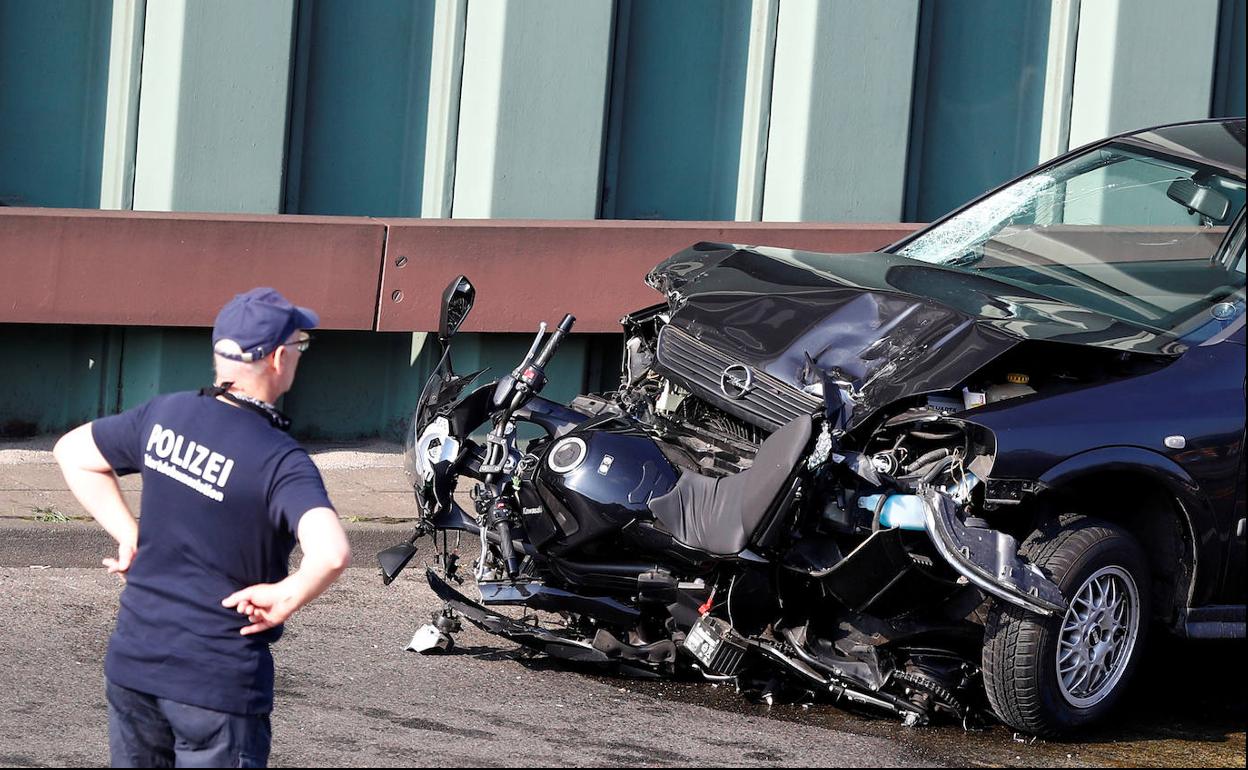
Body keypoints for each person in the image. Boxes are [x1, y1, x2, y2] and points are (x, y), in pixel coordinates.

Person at [53, 287, 351, 768]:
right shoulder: (280, 461)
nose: (299, 356)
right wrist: (289, 595)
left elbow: (73, 452)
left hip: (134, 664)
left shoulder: (164, 413)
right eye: (300, 345)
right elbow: (332, 552)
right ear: (278, 358)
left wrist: (130, 534)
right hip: (216, 686)